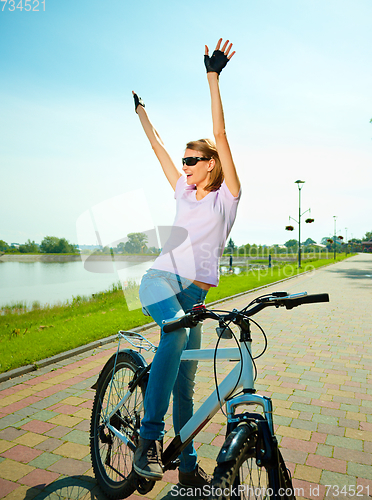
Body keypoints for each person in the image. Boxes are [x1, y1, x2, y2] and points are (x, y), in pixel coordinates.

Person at [132, 38, 241, 487]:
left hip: (195, 293)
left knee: (185, 383)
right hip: (160, 279)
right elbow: (157, 147)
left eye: (193, 161)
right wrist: (142, 114)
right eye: (184, 162)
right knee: (173, 333)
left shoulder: (226, 199)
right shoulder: (181, 188)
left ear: (212, 165)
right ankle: (148, 440)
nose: (185, 166)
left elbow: (221, 134)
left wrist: (212, 77)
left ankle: (189, 466)